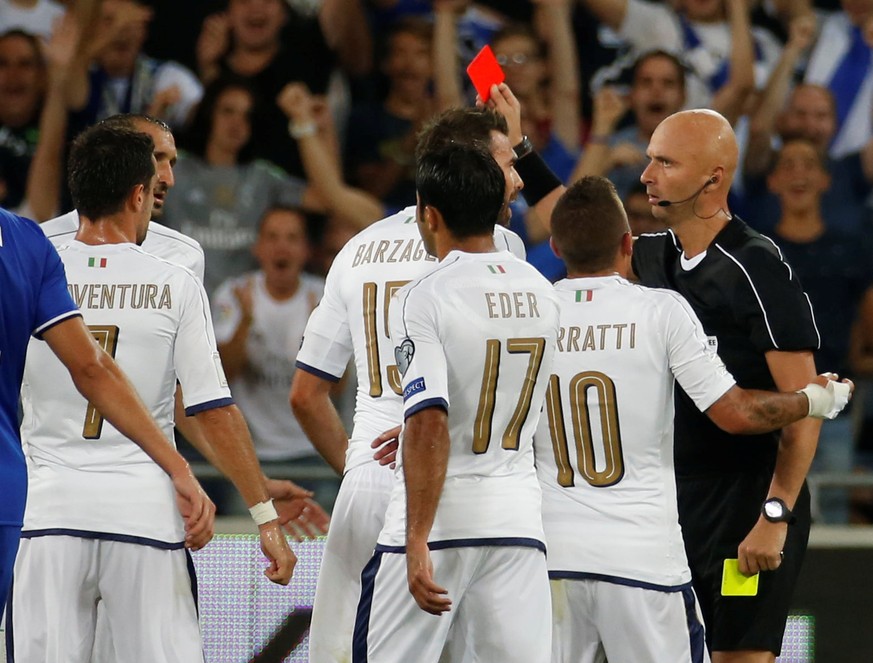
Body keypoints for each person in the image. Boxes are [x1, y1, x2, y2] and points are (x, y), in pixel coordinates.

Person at [9, 123, 296, 661]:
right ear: (138, 193)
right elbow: (211, 407)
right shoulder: (174, 278)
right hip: (142, 513)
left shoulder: (30, 264)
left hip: (46, 512)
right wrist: (263, 516)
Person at [540, 175, 852, 663]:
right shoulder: (661, 310)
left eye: (664, 162)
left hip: (552, 557)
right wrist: (817, 399)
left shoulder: (531, 315)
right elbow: (737, 413)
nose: (649, 173)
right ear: (628, 243)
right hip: (641, 555)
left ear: (556, 247)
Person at [290, 105, 535, 663]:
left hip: (368, 484)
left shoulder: (357, 248)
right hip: (455, 484)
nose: (513, 177)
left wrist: (357, 466)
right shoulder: (502, 252)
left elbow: (306, 393)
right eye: (504, 160)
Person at [352, 140, 559, 662]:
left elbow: (429, 421)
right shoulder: (541, 288)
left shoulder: (424, 293)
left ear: (429, 213)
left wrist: (417, 537)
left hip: (442, 524)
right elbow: (514, 392)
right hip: (516, 524)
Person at [633, 109, 823, 662]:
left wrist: (774, 517)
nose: (647, 174)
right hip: (676, 502)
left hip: (747, 505)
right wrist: (522, 149)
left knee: (738, 657)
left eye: (665, 162)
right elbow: (575, 226)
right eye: (649, 158)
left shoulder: (756, 268)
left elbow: (806, 406)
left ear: (713, 179)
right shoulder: (653, 256)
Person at [0, 160, 213, 622]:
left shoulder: (40, 246)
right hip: (116, 504)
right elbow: (93, 368)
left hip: (48, 506)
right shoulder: (24, 244)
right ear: (138, 193)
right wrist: (183, 469)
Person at [765, 138, 873, 523]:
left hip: (835, 409)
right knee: (776, 512)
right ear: (773, 181)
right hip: (774, 409)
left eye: (808, 164)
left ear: (826, 180)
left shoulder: (851, 250)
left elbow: (868, 319)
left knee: (831, 517)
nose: (798, 173)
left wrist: (859, 361)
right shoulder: (758, 251)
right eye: (788, 165)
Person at [213, 205, 335, 509]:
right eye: (272, 237)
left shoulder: (324, 297)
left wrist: (316, 333)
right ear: (258, 248)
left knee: (321, 541)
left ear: (306, 250)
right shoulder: (234, 294)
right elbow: (223, 375)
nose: (282, 246)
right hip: (251, 451)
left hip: (313, 449)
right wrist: (245, 322)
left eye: (292, 238)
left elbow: (339, 386)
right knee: (243, 541)